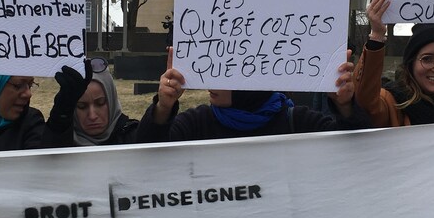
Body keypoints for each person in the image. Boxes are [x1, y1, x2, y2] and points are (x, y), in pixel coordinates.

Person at [138, 48, 368, 142]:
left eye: (223, 73)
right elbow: (146, 156)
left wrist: (345, 106)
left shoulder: (297, 123)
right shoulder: (196, 123)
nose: (210, 82)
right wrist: (163, 108)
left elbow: (358, 153)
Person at [57, 57, 139, 146]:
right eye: (82, 106)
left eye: (100, 103)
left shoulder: (135, 138)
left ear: (111, 101)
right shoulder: (58, 139)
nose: (92, 116)